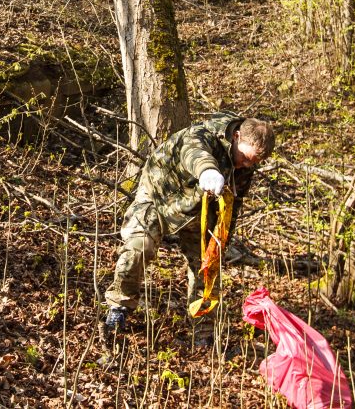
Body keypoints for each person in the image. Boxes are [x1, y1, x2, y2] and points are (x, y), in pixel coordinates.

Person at [104, 112, 275, 331]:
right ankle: (119, 307)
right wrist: (208, 170)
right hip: (161, 196)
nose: (246, 164)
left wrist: (222, 241)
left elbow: (234, 204)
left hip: (198, 209)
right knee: (139, 246)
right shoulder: (202, 135)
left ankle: (202, 328)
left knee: (207, 264)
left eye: (254, 161)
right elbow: (194, 153)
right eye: (245, 157)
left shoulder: (245, 165)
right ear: (237, 136)